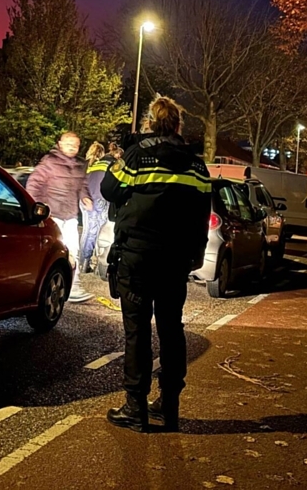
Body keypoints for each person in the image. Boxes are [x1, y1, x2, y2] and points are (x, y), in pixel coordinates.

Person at [101, 97, 212, 432]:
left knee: (137, 334)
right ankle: (169, 405)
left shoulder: (137, 157)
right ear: (178, 125)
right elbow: (202, 214)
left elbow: (108, 190)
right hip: (174, 262)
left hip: (137, 258)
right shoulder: (196, 165)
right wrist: (195, 255)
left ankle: (136, 408)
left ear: (150, 123)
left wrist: (118, 157)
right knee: (171, 330)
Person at [26, 132, 94, 303]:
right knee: (53, 254)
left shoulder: (80, 165)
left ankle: (73, 286)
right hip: (52, 215)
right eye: (68, 143)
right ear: (60, 144)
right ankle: (49, 286)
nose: (72, 147)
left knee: (73, 251)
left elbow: (83, 184)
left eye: (75, 145)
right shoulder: (49, 162)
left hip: (70, 215)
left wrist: (86, 197)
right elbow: (34, 184)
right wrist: (37, 208)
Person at [80, 142, 121, 273]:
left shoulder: (92, 164)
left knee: (88, 231)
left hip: (86, 199)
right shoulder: (114, 164)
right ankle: (99, 265)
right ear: (118, 155)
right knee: (102, 232)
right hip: (101, 198)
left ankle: (83, 262)